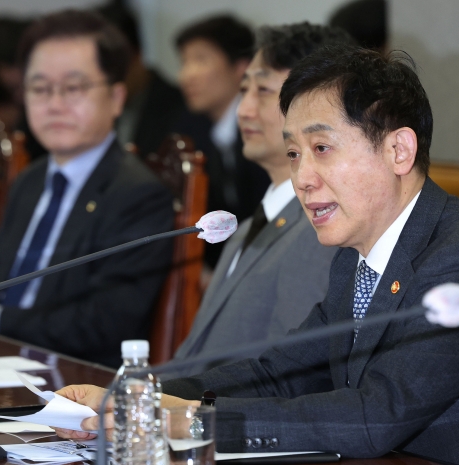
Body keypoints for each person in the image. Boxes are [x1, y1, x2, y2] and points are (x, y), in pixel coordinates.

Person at [52, 44, 459, 465]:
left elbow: (373, 418)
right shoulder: (356, 256)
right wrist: (137, 396)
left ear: (398, 150)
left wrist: (193, 422)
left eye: (322, 148)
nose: (302, 179)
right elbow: (278, 375)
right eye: (294, 154)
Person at [0, 10, 174, 368]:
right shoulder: (31, 179)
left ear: (117, 97)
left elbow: (104, 322)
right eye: (40, 88)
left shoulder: (137, 194)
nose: (55, 104)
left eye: (74, 88)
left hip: (71, 381)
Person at [170, 24, 354, 377]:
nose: (244, 110)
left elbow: (286, 376)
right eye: (244, 90)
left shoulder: (320, 229)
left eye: (264, 90)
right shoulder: (248, 221)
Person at [174, 15, 271, 268]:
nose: (186, 75)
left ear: (241, 67)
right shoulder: (193, 130)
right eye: (184, 62)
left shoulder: (266, 129)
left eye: (200, 59)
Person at [96, 1, 188, 158]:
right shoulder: (96, 108)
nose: (105, 81)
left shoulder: (180, 108)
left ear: (136, 55)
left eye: (112, 68)